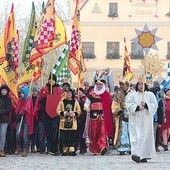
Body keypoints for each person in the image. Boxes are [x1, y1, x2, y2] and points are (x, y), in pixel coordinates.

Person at [126, 77, 158, 163]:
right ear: (137, 85)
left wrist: (147, 105)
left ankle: (142, 155)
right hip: (135, 120)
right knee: (137, 137)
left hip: (146, 120)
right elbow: (128, 105)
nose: (141, 86)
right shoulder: (132, 95)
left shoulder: (150, 95)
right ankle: (136, 154)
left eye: (142, 84)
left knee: (144, 136)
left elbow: (155, 105)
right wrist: (137, 108)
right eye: (139, 84)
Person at [84, 79, 114, 155]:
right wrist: (87, 108)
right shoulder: (92, 94)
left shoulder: (106, 94)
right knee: (94, 132)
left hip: (103, 116)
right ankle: (94, 148)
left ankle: (102, 146)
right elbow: (87, 103)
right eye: (97, 84)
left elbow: (110, 105)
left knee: (103, 132)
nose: (99, 86)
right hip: (93, 116)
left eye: (100, 84)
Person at [38, 73, 62, 155]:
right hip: (46, 112)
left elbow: (60, 100)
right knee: (47, 130)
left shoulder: (59, 89)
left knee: (54, 130)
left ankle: (53, 147)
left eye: (53, 79)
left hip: (55, 113)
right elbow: (39, 99)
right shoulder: (44, 88)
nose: (51, 81)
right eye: (50, 79)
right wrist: (43, 100)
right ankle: (48, 147)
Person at [57, 88, 81, 156]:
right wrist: (63, 113)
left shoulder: (75, 102)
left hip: (73, 122)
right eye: (67, 93)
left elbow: (79, 111)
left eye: (70, 93)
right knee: (64, 136)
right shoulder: (62, 101)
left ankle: (72, 149)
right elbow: (57, 110)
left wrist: (74, 114)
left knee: (72, 136)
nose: (69, 95)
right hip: (64, 122)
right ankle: (64, 149)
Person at [112, 80, 131, 155]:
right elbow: (114, 104)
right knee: (123, 131)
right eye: (121, 85)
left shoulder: (132, 94)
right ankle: (122, 147)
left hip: (131, 115)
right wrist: (118, 110)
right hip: (122, 115)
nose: (121, 86)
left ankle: (131, 147)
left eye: (123, 85)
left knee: (130, 131)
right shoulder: (118, 94)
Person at [15, 86, 33, 157]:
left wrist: (24, 113)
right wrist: (18, 115)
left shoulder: (29, 100)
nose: (21, 94)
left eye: (23, 93)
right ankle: (18, 146)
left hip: (26, 119)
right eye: (21, 93)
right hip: (20, 118)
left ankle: (25, 148)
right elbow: (18, 108)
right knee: (17, 134)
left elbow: (28, 108)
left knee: (25, 135)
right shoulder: (21, 100)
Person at [0, 84, 12, 157]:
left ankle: (1, 149)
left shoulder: (8, 99)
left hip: (4, 120)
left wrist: (1, 112)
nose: (4, 91)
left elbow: (9, 109)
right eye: (3, 90)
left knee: (3, 135)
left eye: (5, 90)